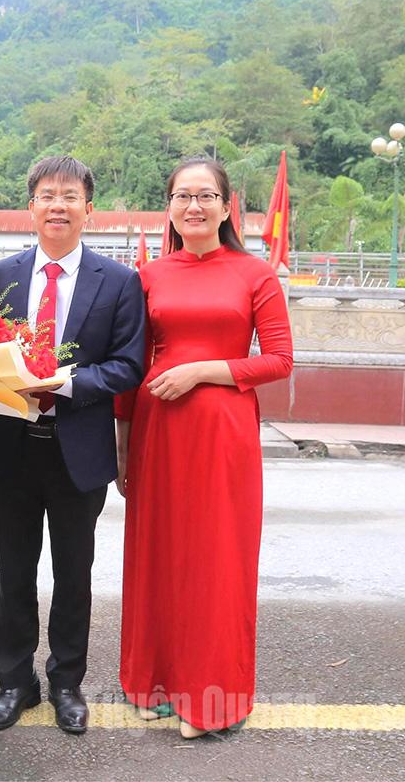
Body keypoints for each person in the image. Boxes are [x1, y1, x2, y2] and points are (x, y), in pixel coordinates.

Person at [116, 158, 293, 738]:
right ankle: (153, 684)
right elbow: (131, 366)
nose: (194, 206)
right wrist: (123, 445)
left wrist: (204, 371)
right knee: (158, 555)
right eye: (182, 196)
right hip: (157, 431)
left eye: (206, 195)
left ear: (225, 206)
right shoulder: (148, 276)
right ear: (169, 206)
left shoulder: (255, 274)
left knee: (218, 559)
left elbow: (279, 360)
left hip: (222, 434)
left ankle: (212, 700)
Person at [0, 156, 146, 734]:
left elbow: (128, 364)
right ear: (31, 207)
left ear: (88, 209)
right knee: (15, 573)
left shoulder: (119, 281)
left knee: (74, 573)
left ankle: (67, 682)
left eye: (69, 196)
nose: (58, 205)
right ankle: (13, 682)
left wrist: (65, 383)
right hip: (13, 447)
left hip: (78, 450)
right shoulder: (1, 275)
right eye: (47, 195)